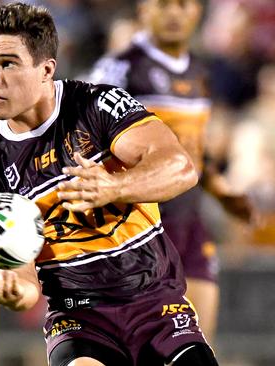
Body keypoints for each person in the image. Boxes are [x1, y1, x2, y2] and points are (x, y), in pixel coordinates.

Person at [0, 3, 219, 365]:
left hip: (156, 304)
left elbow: (180, 168)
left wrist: (116, 187)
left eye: (7, 63)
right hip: (79, 321)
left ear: (46, 70)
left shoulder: (97, 106)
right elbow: (23, 281)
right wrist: (12, 292)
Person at [87, 0, 251, 342]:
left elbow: (192, 149)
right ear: (144, 11)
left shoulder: (198, 72)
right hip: (138, 225)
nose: (174, 14)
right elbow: (84, 138)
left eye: (183, 4)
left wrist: (221, 190)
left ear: (197, 11)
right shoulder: (120, 69)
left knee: (198, 343)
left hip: (188, 220)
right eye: (164, 4)